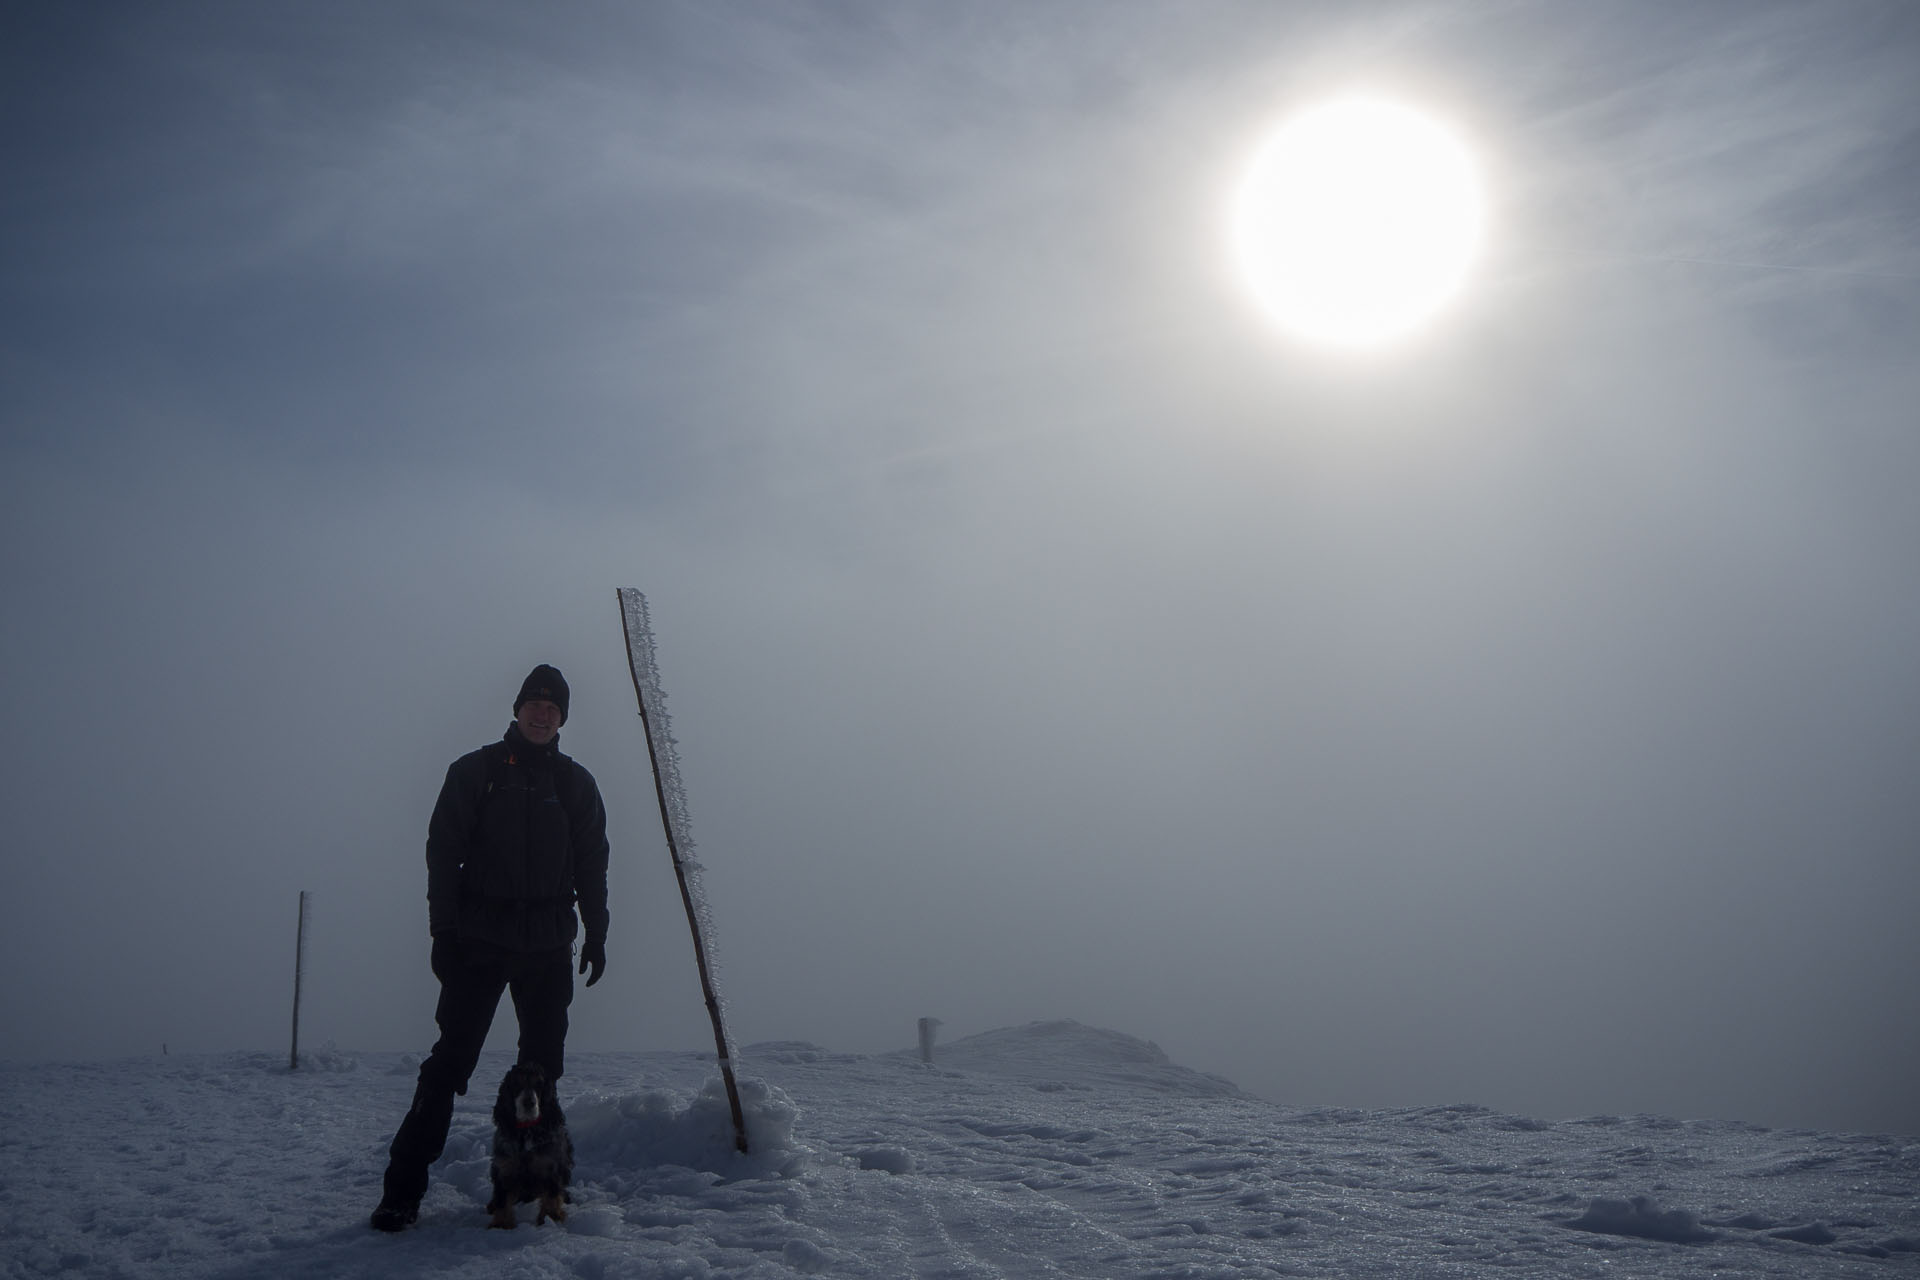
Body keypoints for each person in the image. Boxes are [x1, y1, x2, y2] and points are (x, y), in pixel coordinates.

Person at [371, 664, 611, 1232]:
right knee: (448, 1065)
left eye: (553, 709)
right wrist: (443, 932)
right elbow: (442, 856)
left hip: (549, 945)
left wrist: (597, 931)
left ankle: (541, 1184)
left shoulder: (576, 785)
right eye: (534, 704)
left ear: (562, 720)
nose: (542, 714)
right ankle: (400, 1193)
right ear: (517, 709)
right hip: (478, 942)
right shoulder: (474, 772)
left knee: (543, 1072)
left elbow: (593, 864)